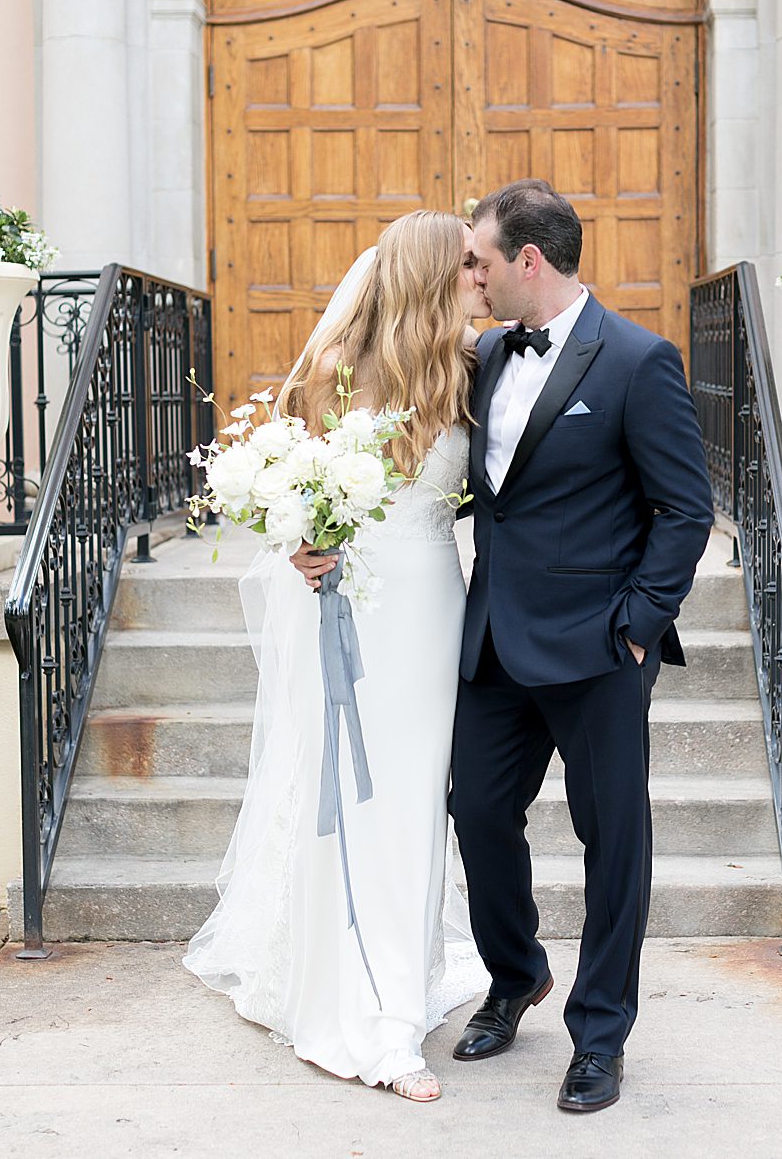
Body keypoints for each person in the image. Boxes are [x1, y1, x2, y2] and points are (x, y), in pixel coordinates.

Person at [183, 211, 490, 1102]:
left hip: (434, 609)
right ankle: (367, 1014)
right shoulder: (330, 373)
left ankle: (402, 982)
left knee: (414, 798)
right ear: (432, 274)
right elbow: (284, 482)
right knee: (349, 796)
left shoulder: (475, 369)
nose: (483, 274)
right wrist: (298, 542)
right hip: (347, 610)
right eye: (467, 262)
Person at [450, 179, 715, 1114]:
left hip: (600, 647)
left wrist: (638, 626)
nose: (467, 274)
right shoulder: (480, 357)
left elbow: (686, 510)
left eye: (478, 258)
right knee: (476, 811)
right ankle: (516, 971)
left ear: (529, 260)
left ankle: (600, 1034)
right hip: (491, 641)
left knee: (613, 840)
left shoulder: (639, 360)